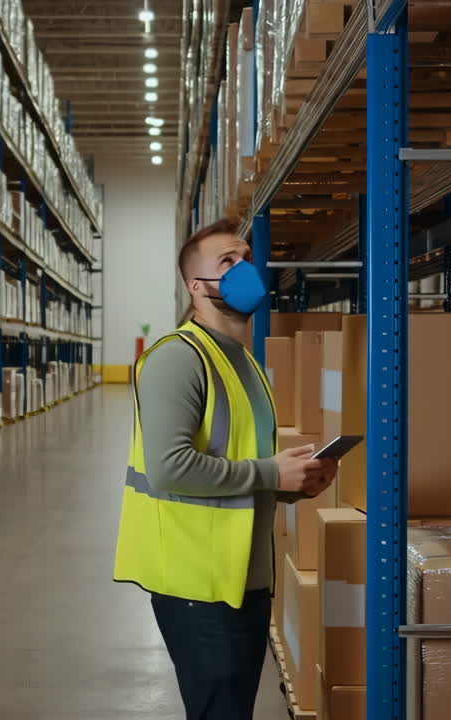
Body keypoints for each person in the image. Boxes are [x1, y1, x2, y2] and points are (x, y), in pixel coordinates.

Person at [113, 218, 338, 719]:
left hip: (241, 579)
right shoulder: (178, 358)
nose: (244, 270)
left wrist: (295, 484)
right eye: (227, 263)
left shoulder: (243, 361)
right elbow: (171, 468)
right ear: (197, 287)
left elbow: (241, 460)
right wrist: (269, 475)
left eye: (246, 259)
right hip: (197, 583)